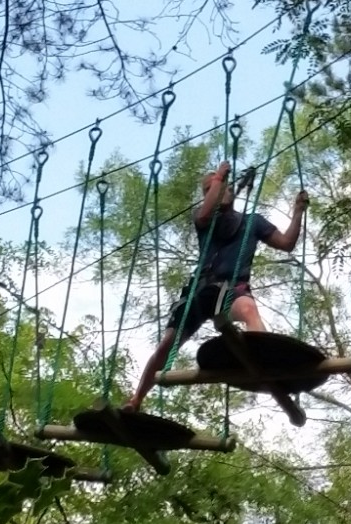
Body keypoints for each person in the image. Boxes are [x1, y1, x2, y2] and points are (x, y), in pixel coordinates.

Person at [125, 161, 307, 412]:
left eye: (222, 188)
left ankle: (263, 359)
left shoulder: (252, 222)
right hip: (200, 290)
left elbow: (286, 243)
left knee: (249, 310)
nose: (218, 191)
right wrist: (218, 178)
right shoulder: (204, 221)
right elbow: (204, 214)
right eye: (209, 189)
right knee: (168, 344)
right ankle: (136, 399)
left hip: (232, 287)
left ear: (231, 192)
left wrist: (297, 212)